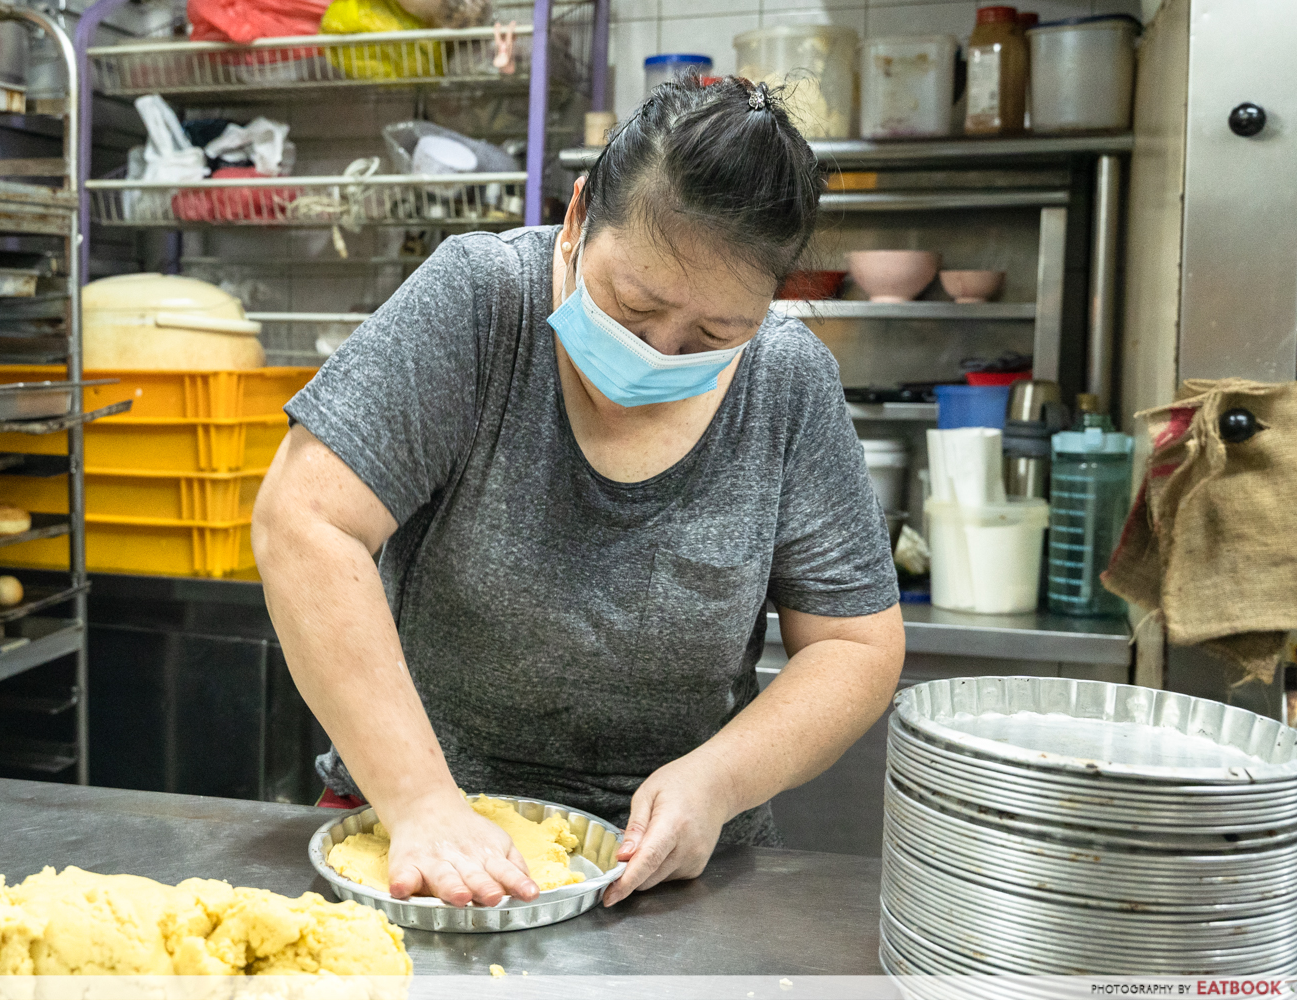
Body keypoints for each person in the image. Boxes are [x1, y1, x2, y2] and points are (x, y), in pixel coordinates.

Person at [253, 76, 905, 909]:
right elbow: (305, 519)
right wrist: (421, 801)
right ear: (578, 216)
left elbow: (855, 646)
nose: (661, 356)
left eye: (715, 334)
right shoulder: (483, 305)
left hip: (675, 879)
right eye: (632, 308)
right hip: (424, 849)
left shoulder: (786, 380)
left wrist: (716, 782)